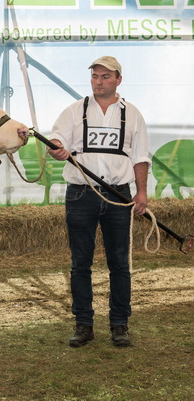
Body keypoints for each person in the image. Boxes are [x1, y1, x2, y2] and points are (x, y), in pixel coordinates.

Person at [48, 56, 151, 348]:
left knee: (119, 264)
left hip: (118, 195)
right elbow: (58, 140)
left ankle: (119, 324)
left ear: (118, 79)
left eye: (105, 76)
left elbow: (141, 157)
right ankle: (84, 324)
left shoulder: (132, 114)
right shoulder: (74, 110)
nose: (99, 81)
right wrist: (57, 148)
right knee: (81, 263)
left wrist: (140, 192)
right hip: (81, 194)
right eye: (95, 76)